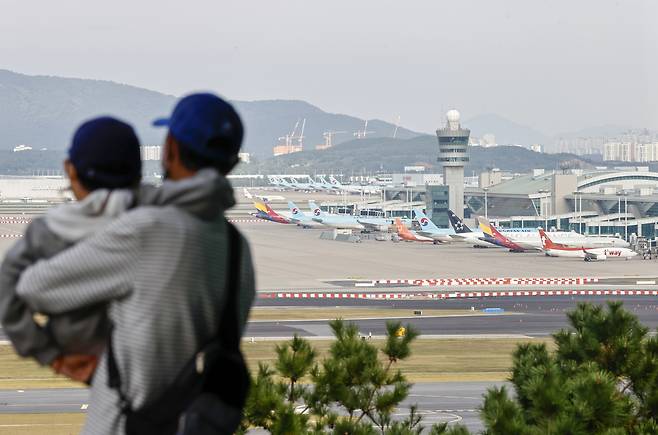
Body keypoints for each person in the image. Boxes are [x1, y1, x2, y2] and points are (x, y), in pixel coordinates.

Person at [16, 93, 256, 434]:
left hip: (125, 424)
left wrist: (60, 355)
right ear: (231, 164)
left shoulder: (148, 230)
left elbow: (33, 287)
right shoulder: (238, 249)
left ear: (170, 149)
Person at [0, 117, 142, 377]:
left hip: (93, 363)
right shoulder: (166, 222)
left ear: (70, 170)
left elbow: (8, 293)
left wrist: (50, 355)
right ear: (138, 172)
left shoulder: (49, 230)